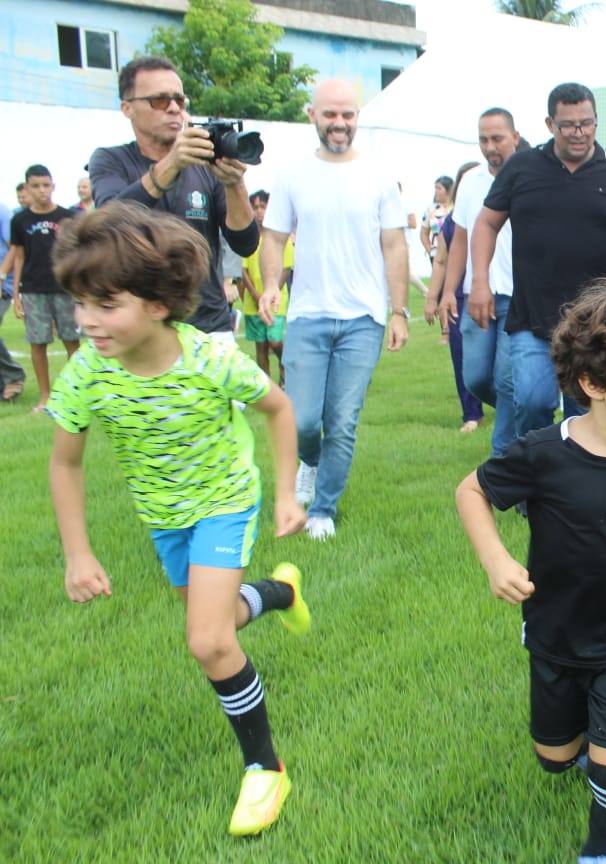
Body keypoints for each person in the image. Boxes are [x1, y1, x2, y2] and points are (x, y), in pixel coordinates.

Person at [45, 202, 311, 836]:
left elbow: (277, 409)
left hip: (223, 502)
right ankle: (279, 592)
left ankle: (264, 768)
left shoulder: (210, 361)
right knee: (215, 620)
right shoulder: (87, 371)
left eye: (105, 305)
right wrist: (78, 554)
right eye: (80, 303)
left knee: (209, 642)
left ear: (158, 303)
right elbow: (65, 464)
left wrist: (283, 494)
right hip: (163, 516)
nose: (86, 321)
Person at [456, 277, 606, 864]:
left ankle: (599, 852)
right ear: (592, 383)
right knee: (555, 758)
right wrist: (496, 559)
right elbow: (472, 491)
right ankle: (580, 742)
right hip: (555, 632)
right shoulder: (542, 454)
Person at [470, 82, 606, 440]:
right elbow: (487, 222)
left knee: (592, 412)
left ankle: (586, 487)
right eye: (569, 125)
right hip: (532, 317)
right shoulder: (522, 167)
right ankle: (534, 485)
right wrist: (480, 282)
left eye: (587, 123)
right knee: (533, 403)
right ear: (550, 124)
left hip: (597, 323)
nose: (579, 133)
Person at [258, 78, 410, 541]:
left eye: (348, 114)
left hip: (363, 319)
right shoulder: (292, 177)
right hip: (307, 315)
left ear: (357, 117)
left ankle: (323, 509)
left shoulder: (380, 177)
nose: (340, 123)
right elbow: (274, 237)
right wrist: (269, 286)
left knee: (342, 421)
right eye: (330, 115)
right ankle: (310, 460)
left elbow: (394, 245)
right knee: (303, 419)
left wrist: (398, 311)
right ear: (312, 116)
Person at [89, 55, 258, 341]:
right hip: (140, 328)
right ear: (127, 108)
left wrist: (235, 184)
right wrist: (172, 163)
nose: (173, 109)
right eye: (159, 100)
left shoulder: (205, 165)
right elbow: (109, 225)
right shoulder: (110, 160)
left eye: (179, 101)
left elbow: (246, 243)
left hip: (208, 326)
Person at [436, 108, 522, 455]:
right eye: (484, 139)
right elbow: (459, 239)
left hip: (519, 296)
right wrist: (447, 292)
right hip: (477, 295)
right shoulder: (471, 181)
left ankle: (504, 459)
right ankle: (522, 418)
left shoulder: (531, 176)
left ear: (515, 137)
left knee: (504, 380)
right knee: (476, 378)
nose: (491, 147)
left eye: (498, 138)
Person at [3, 164, 81, 413]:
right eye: (35, 186)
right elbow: (19, 257)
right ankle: (45, 397)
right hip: (33, 290)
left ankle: (76, 394)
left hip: (64, 288)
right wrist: (16, 295)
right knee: (38, 344)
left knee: (73, 342)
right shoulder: (20, 219)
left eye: (46, 185)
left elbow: (78, 254)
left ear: (53, 186)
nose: (42, 191)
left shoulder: (68, 217)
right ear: (27, 188)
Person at [425, 161, 485, 433]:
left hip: (491, 292)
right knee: (461, 355)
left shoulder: (496, 214)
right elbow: (441, 261)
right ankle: (471, 414)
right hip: (459, 294)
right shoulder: (450, 223)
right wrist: (433, 298)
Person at [239, 190, 291, 385]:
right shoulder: (249, 238)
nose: (259, 211)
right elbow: (243, 270)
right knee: (260, 346)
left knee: (275, 341)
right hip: (254, 302)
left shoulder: (279, 237)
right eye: (255, 207)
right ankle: (267, 386)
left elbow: (286, 268)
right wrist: (255, 294)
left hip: (276, 301)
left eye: (263, 206)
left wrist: (271, 292)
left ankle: (285, 367)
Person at [0, 197, 27, 402]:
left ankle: (13, 376)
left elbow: (14, 248)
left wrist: (1, 276)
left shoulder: (3, 210)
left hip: (3, 282)